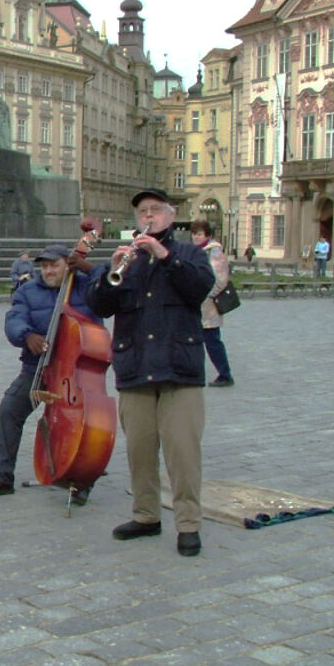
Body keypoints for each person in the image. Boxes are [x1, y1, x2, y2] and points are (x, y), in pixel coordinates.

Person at [87, 188, 214, 557]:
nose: (149, 216)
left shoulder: (189, 253)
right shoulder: (128, 260)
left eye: (156, 210)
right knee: (140, 450)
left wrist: (165, 256)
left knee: (183, 452)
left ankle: (188, 523)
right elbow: (100, 305)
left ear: (171, 216)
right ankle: (146, 515)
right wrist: (111, 271)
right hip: (136, 367)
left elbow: (200, 288)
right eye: (143, 211)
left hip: (179, 369)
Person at [0, 241, 106, 501]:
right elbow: (14, 319)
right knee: (9, 410)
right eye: (44, 267)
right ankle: (2, 477)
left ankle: (80, 481)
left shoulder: (86, 288)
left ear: (67, 265)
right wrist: (27, 336)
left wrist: (87, 267)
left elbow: (111, 286)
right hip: (38, 368)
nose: (48, 271)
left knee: (85, 427)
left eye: (54, 266)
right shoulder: (27, 291)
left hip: (77, 374)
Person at [190, 222, 235, 387]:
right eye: (194, 233)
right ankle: (195, 373)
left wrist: (206, 294)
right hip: (195, 304)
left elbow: (221, 279)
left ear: (207, 235)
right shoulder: (195, 251)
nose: (196, 237)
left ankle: (225, 374)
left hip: (208, 307)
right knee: (193, 341)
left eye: (199, 234)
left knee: (212, 341)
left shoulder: (214, 251)